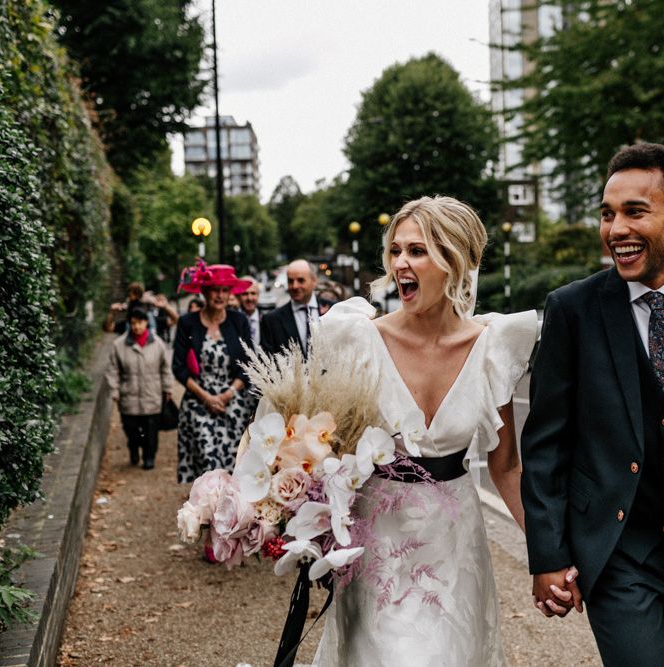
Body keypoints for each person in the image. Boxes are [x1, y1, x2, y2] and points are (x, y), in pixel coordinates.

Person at [313, 196, 538, 665]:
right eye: (396, 251)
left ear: (456, 260)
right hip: (378, 545)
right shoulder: (358, 340)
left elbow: (507, 466)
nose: (399, 264)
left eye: (417, 251)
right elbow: (320, 447)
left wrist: (549, 553)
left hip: (455, 548)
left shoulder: (492, 347)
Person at [521, 142, 664, 664]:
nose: (616, 229)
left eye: (635, 212)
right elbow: (544, 445)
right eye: (607, 214)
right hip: (623, 549)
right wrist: (549, 555)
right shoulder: (572, 310)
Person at [173, 262, 254, 483]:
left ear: (229, 293)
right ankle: (205, 513)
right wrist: (207, 398)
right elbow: (178, 367)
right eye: (214, 290)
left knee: (235, 468)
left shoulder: (239, 322)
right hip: (199, 402)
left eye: (224, 290)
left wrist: (227, 395)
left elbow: (248, 365)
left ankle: (232, 515)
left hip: (233, 401)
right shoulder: (187, 323)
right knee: (207, 466)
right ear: (205, 292)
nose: (219, 295)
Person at [105, 308, 173, 470]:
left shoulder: (157, 343)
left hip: (152, 394)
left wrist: (167, 388)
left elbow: (165, 368)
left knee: (151, 431)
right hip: (129, 396)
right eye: (133, 323)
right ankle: (133, 449)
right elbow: (113, 369)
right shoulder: (119, 345)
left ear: (146, 323)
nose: (137, 327)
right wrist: (114, 390)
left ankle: (149, 457)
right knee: (131, 430)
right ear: (129, 324)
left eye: (140, 322)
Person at [260, 259, 319, 356]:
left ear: (314, 281)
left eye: (301, 280)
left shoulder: (332, 310)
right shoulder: (271, 320)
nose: (294, 286)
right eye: (290, 281)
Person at [238, 276, 261, 347]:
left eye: (253, 293)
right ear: (238, 296)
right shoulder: (231, 321)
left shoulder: (268, 320)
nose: (249, 298)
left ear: (258, 295)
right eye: (245, 294)